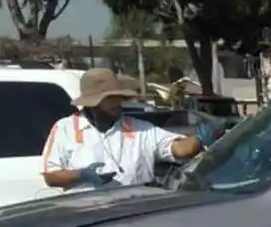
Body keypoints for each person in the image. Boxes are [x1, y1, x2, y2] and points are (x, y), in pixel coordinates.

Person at [41, 68, 220, 191]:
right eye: (109, 99)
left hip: (133, 212)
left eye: (118, 97)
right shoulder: (65, 129)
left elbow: (179, 149)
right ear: (92, 103)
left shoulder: (140, 130)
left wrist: (200, 138)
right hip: (85, 216)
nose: (117, 103)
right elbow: (51, 176)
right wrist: (82, 175)